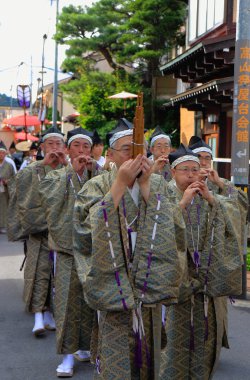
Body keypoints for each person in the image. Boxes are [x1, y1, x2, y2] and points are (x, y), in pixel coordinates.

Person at [73, 122, 186, 379]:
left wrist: (145, 188)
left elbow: (176, 228)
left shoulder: (157, 184)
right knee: (116, 360)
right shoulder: (97, 185)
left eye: (141, 150)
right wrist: (120, 184)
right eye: (127, 150)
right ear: (110, 156)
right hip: (115, 283)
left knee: (150, 357)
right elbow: (83, 231)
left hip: (149, 279)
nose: (136, 156)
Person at [160, 144, 247, 380]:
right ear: (173, 171)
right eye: (185, 169)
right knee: (172, 346)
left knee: (204, 344)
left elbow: (237, 215)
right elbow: (154, 230)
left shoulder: (207, 196)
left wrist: (213, 199)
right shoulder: (163, 194)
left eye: (195, 169)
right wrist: (181, 205)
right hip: (175, 283)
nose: (190, 175)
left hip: (205, 283)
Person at [40, 127, 103, 378]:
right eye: (76, 146)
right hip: (67, 250)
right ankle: (67, 356)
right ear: (68, 150)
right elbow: (48, 199)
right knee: (66, 303)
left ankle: (87, 348)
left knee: (92, 301)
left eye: (86, 147)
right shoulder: (58, 175)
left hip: (94, 250)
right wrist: (71, 172)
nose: (82, 151)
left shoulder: (99, 175)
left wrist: (93, 171)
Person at [14, 126, 66, 336]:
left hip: (61, 234)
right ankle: (37, 315)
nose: (54, 148)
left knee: (57, 276)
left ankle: (50, 314)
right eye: (50, 144)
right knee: (38, 273)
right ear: (42, 147)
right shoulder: (33, 168)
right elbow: (20, 185)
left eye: (58, 144)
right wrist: (43, 164)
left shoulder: (67, 169)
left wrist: (65, 166)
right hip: (39, 231)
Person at [0, 141, 16, 233]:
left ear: (5, 153)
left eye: (2, 153)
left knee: (4, 207)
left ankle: (4, 225)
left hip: (5, 190)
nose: (1, 154)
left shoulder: (9, 165)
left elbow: (14, 178)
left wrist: (7, 181)